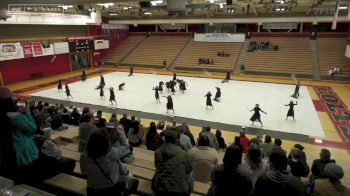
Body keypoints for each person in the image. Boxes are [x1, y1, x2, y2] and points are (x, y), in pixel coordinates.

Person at [152, 131, 192, 196]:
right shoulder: (184, 153)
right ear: (176, 140)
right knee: (190, 172)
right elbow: (188, 170)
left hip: (159, 190)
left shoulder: (158, 151)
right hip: (180, 192)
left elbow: (157, 166)